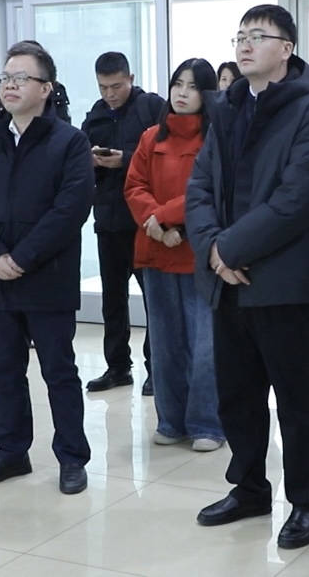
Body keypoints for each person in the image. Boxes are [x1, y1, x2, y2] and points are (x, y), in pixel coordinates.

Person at [185, 3, 309, 550]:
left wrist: (228, 248)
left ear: (287, 48)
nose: (245, 44)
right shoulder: (227, 108)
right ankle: (249, 488)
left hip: (282, 282)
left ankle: (308, 503)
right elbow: (199, 186)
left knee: (297, 400)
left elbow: (298, 200)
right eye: (240, 36)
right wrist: (212, 250)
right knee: (238, 395)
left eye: (258, 35)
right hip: (226, 282)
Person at [0, 40, 95, 495]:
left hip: (47, 276)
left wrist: (22, 257)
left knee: (58, 371)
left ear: (46, 88)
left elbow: (70, 209)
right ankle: (11, 452)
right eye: (5, 78)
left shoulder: (69, 141)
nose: (10, 85)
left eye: (21, 78)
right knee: (4, 371)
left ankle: (72, 457)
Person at [124, 58, 224, 453]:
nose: (182, 93)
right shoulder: (151, 137)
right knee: (165, 345)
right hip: (156, 252)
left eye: (193, 86)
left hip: (198, 252)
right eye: (177, 84)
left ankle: (207, 423)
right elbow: (134, 186)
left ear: (207, 93)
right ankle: (171, 420)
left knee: (205, 346)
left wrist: (162, 217)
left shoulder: (217, 138)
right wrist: (155, 223)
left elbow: (209, 190)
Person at [81, 51, 167, 395]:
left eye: (116, 86)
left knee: (153, 300)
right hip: (108, 218)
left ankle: (157, 367)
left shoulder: (151, 108)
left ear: (130, 78)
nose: (110, 94)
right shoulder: (95, 115)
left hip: (144, 222)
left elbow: (164, 158)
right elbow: (79, 163)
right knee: (113, 300)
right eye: (103, 87)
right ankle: (117, 367)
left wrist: (126, 160)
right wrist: (92, 161)